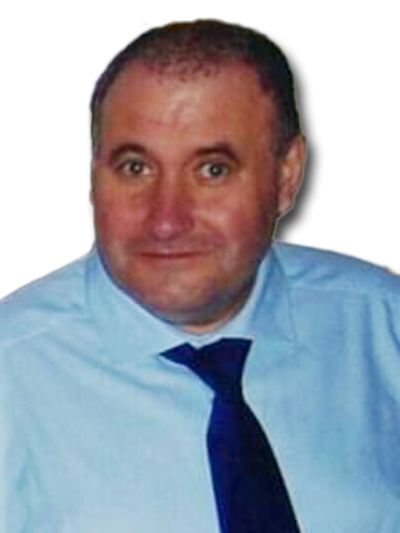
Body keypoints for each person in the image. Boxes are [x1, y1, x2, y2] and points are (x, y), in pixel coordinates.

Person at [0, 17, 399, 533]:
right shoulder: (12, 377)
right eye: (135, 167)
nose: (166, 219)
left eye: (212, 170)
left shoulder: (382, 330)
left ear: (287, 175)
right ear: (93, 175)